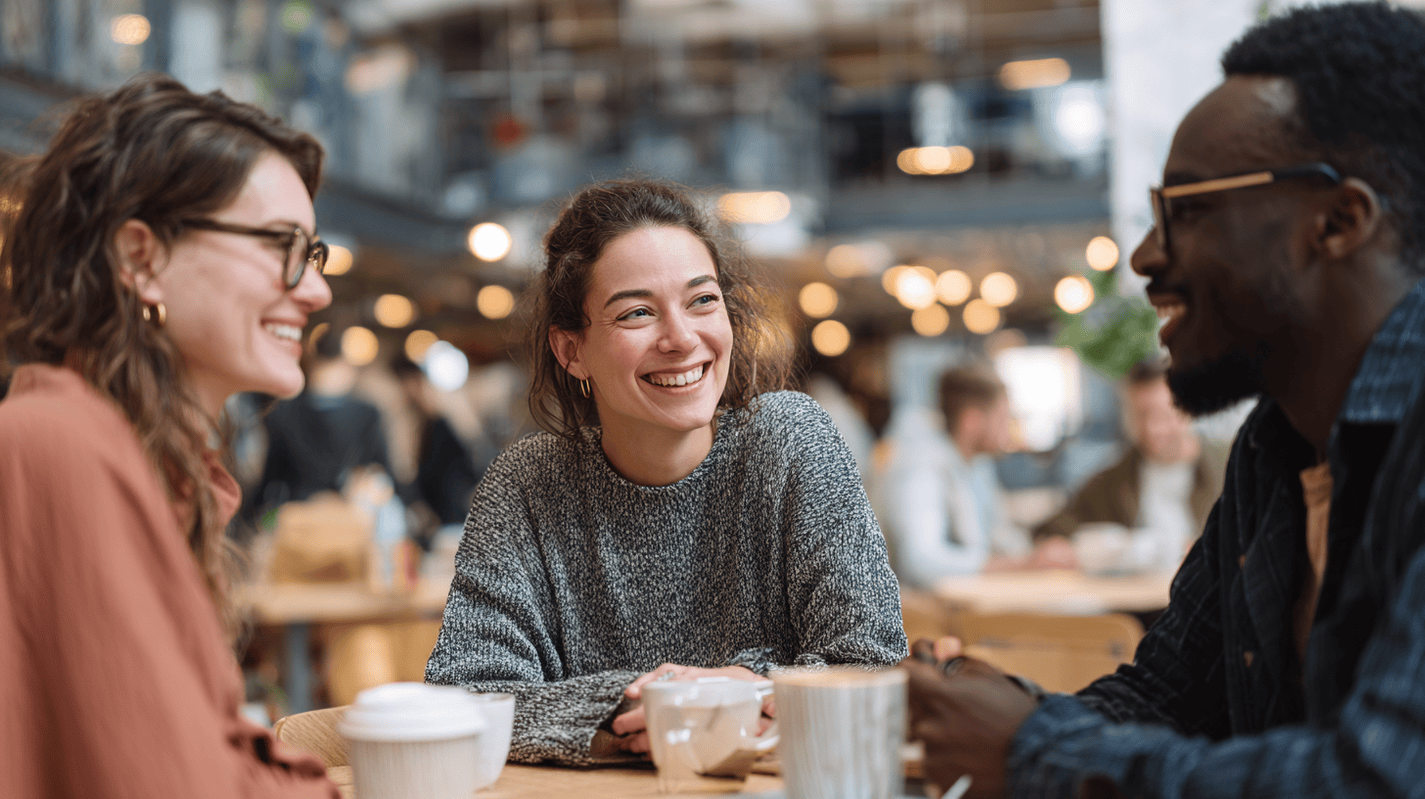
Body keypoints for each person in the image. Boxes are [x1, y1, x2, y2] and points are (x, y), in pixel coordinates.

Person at [903, 4, 1425, 798]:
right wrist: (993, 707)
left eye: (1185, 211)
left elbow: (1376, 778)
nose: (1146, 256)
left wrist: (1027, 749)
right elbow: (1164, 699)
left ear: (1337, 221)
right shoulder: (1273, 447)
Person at [423, 179, 907, 765]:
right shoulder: (527, 485)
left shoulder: (789, 441)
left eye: (702, 301)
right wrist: (657, 706)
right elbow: (464, 698)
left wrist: (739, 687)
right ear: (571, 350)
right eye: (637, 313)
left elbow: (873, 665)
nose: (681, 338)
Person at [0, 75, 337, 797]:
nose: (317, 290)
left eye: (312, 253)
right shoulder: (64, 446)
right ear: (141, 258)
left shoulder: (150, 464)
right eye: (281, 245)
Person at [1030, 359, 1229, 573]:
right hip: (1140, 592)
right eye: (1140, 415)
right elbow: (1053, 528)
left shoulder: (1231, 466)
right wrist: (1059, 547)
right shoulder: (1114, 480)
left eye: (1163, 414)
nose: (1152, 429)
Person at [880, 364, 1032, 590]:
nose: (1009, 430)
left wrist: (1035, 556)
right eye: (1002, 418)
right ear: (972, 421)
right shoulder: (920, 466)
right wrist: (1018, 565)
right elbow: (920, 562)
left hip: (962, 601)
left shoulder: (977, 465)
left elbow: (997, 535)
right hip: (918, 607)